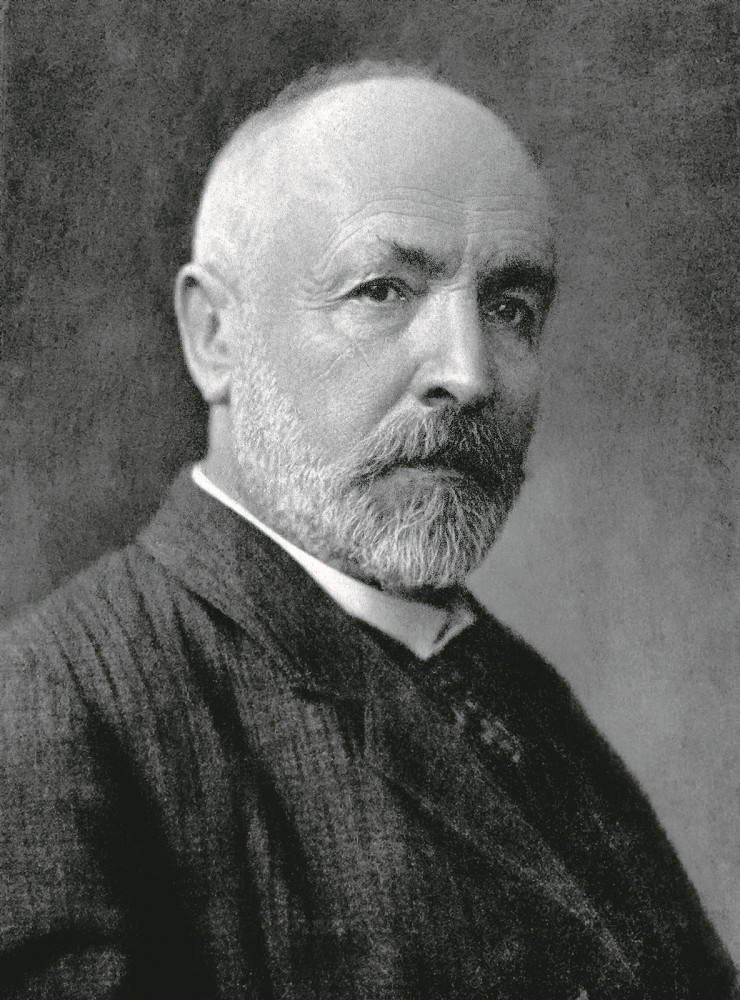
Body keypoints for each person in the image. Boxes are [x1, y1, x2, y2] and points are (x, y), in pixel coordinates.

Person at [0, 60, 736, 999]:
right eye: (383, 290)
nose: (469, 373)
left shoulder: (518, 692)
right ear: (215, 336)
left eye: (510, 307)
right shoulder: (51, 714)